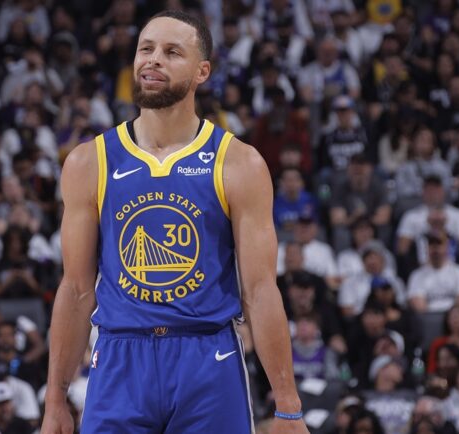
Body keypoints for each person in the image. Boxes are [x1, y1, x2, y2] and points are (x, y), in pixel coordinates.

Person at [42, 10, 306, 434]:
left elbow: (259, 290)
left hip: (209, 356)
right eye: (146, 49)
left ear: (203, 71)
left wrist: (288, 407)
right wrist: (55, 398)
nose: (153, 60)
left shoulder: (239, 163)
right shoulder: (89, 162)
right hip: (119, 355)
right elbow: (75, 289)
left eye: (171, 52)